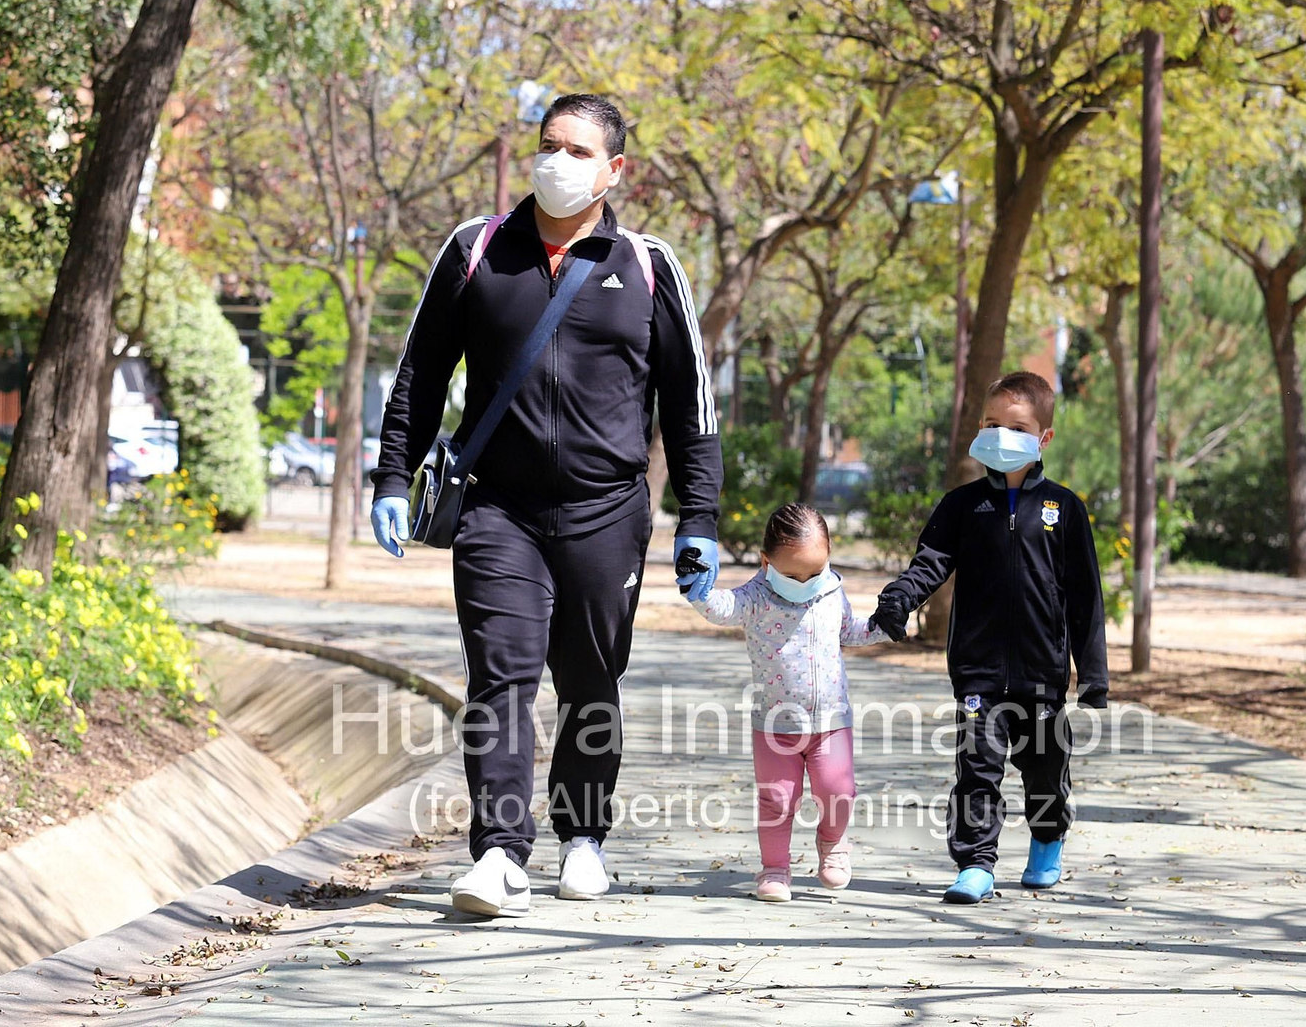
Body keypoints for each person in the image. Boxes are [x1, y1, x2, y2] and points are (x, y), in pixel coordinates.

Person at [369, 94, 723, 918]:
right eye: (547, 145)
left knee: (591, 678)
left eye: (576, 150)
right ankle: (498, 851)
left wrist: (699, 519)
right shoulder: (476, 249)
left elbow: (690, 403)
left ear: (614, 170)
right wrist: (393, 476)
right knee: (500, 676)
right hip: (499, 511)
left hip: (608, 512)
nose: (556, 162)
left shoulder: (648, 265)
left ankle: (585, 839)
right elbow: (420, 373)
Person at [869, 371, 1108, 905]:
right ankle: (976, 862)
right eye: (991, 423)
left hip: (1042, 673)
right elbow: (928, 565)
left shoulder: (1064, 508)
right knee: (977, 766)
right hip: (977, 671)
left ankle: (1047, 839)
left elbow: (1086, 597)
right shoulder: (961, 505)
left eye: (1016, 426)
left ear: (1043, 437)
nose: (1001, 434)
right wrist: (897, 602)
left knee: (1046, 767)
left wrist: (1093, 675)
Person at [684, 503, 887, 902]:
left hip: (831, 720)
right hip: (774, 724)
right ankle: (775, 870)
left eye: (815, 571)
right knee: (776, 800)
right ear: (765, 562)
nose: (805, 581)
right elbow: (722, 608)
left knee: (838, 789)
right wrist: (698, 589)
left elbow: (850, 631)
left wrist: (887, 624)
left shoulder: (831, 590)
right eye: (792, 574)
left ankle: (833, 844)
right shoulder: (756, 596)